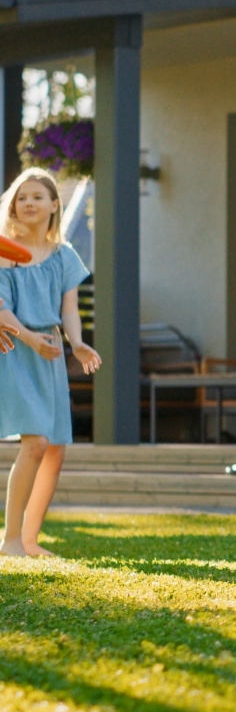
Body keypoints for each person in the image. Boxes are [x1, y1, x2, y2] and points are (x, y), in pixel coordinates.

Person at [0, 168, 101, 557]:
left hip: (52, 351)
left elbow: (70, 309)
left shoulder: (64, 255)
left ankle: (29, 540)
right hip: (17, 350)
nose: (28, 203)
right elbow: (2, 309)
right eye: (22, 197)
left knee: (55, 448)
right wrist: (29, 339)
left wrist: (76, 343)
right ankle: (10, 540)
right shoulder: (5, 253)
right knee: (36, 443)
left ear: (54, 205)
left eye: (37, 197)